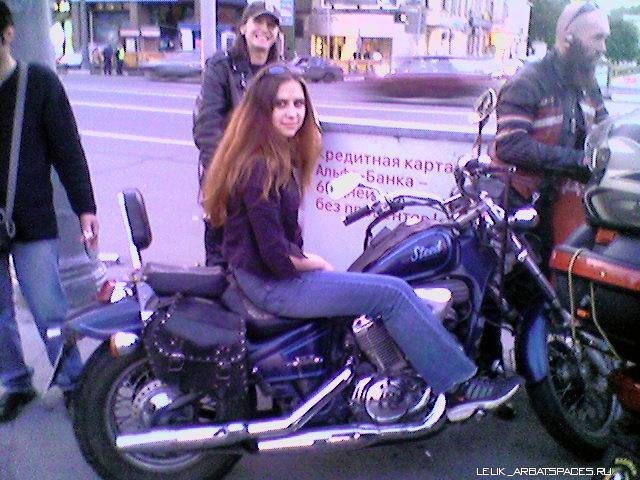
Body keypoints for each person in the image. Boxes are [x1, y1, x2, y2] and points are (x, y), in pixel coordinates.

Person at [201, 63, 522, 422]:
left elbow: (272, 242)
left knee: (375, 285)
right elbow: (275, 256)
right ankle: (459, 386)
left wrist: (304, 260)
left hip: (261, 277)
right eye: (281, 104)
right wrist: (314, 263)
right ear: (261, 111)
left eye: (299, 104)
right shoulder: (260, 167)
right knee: (393, 293)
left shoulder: (267, 156)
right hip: (270, 284)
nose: (292, 113)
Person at [0, 1, 99, 422]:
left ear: (7, 33)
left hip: (32, 218)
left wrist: (85, 207)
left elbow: (67, 150)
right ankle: (15, 382)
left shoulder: (37, 83)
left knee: (48, 308)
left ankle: (74, 381)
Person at [490, 1, 610, 267]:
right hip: (522, 210)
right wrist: (579, 161)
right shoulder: (528, 81)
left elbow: (606, 131)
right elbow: (510, 145)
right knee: (525, 287)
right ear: (569, 38)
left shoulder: (588, 83)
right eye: (597, 38)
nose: (603, 48)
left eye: (605, 39)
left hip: (567, 210)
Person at [193, 1, 281, 266]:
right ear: (243, 27)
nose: (264, 29)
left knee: (261, 253)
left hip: (264, 179)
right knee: (222, 257)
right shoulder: (221, 66)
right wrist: (225, 175)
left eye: (271, 25)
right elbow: (207, 127)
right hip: (227, 176)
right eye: (258, 22)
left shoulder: (278, 72)